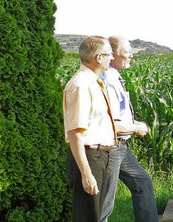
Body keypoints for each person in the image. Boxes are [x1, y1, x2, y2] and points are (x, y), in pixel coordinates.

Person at [103, 36, 159, 222]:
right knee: (105, 202)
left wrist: (133, 123)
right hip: (111, 147)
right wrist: (136, 127)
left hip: (121, 147)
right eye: (127, 52)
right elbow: (111, 124)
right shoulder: (108, 80)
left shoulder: (114, 77)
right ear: (112, 54)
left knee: (142, 182)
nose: (131, 56)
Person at [63, 36, 119, 222]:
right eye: (109, 54)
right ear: (98, 57)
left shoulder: (92, 82)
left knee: (93, 216)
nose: (112, 58)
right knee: (87, 217)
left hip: (97, 156)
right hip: (88, 157)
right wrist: (86, 174)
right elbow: (75, 133)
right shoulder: (81, 85)